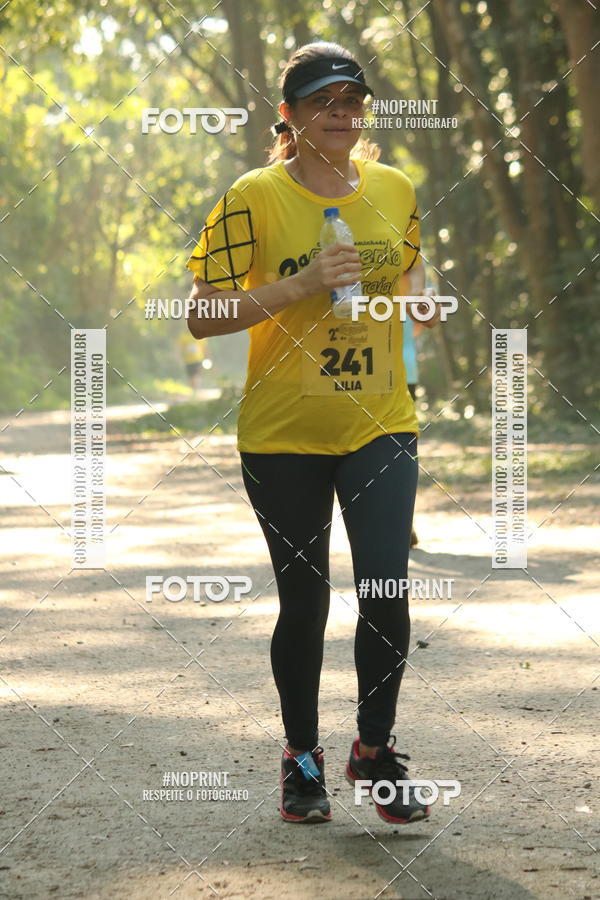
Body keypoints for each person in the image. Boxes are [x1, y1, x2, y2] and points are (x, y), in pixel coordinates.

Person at [186, 41, 441, 825]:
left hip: (382, 424)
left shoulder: (395, 188)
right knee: (305, 604)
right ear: (289, 117)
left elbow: (409, 268)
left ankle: (375, 748)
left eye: (353, 101)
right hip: (282, 434)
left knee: (387, 589)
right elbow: (201, 313)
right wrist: (300, 285)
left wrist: (420, 299)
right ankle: (302, 762)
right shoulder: (252, 197)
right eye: (324, 103)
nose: (342, 115)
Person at [178, 330, 205, 395]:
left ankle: (196, 391)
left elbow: (204, 347)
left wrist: (207, 357)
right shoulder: (183, 337)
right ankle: (194, 391)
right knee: (190, 377)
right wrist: (179, 358)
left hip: (198, 359)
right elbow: (180, 348)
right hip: (188, 360)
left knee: (196, 376)